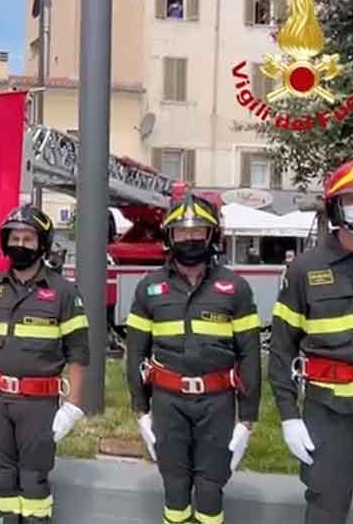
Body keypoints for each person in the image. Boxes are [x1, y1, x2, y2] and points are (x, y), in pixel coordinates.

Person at [125, 194, 261, 524]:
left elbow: (250, 354)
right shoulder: (149, 287)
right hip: (168, 402)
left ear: (212, 235)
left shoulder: (236, 287)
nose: (189, 239)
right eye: (181, 233)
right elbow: (135, 353)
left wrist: (247, 419)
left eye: (197, 231)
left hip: (217, 402)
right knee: (174, 487)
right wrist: (141, 410)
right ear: (169, 237)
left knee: (211, 488)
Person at [269, 157, 353, 524]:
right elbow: (282, 350)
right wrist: (289, 416)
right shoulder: (305, 269)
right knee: (325, 512)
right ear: (336, 204)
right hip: (329, 412)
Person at [0, 205, 89, 524]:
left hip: (38, 401)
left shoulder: (63, 292)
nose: (20, 244)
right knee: (3, 476)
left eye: (28, 238)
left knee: (34, 479)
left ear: (42, 244)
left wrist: (73, 405)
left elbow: (78, 351)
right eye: (14, 237)